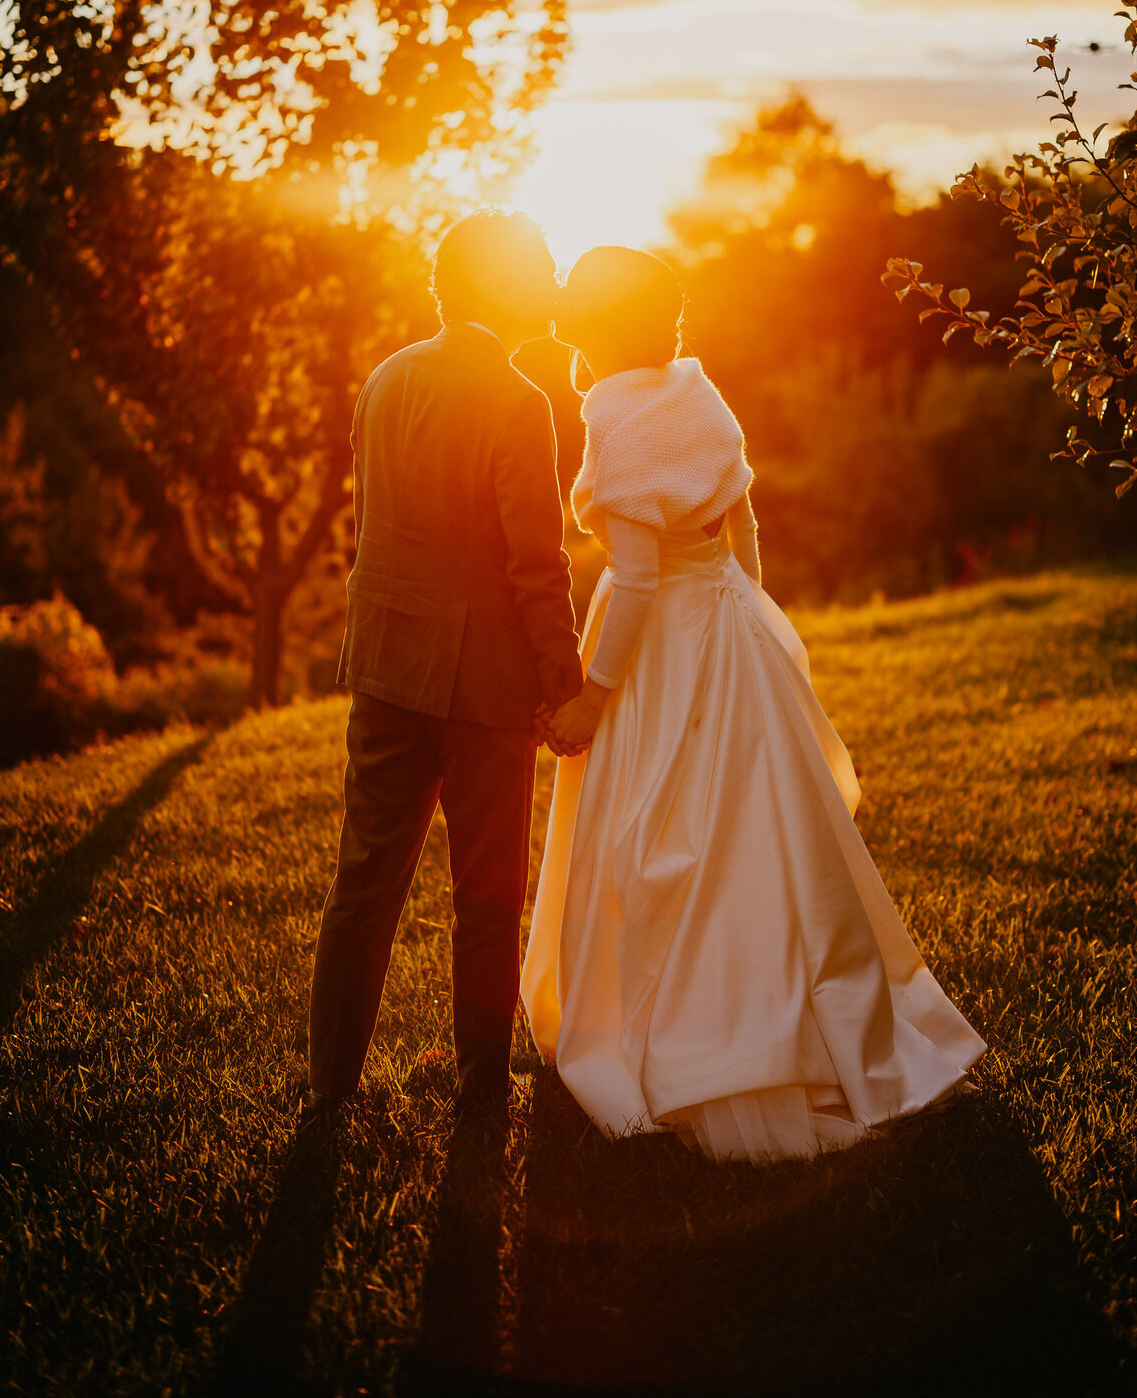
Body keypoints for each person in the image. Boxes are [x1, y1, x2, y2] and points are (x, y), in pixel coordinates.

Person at [521, 246, 985, 1161]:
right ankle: (810, 1022)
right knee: (763, 834)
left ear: (602, 321)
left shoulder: (614, 412)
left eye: (576, 296)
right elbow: (745, 527)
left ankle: (688, 1040)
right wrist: (747, 613)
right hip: (730, 625)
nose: (562, 304)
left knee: (659, 833)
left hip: (656, 647)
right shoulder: (697, 389)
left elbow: (641, 579)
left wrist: (593, 698)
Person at [304, 210, 582, 1127]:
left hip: (386, 663)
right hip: (482, 685)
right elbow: (535, 565)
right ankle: (480, 1086)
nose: (550, 284)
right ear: (502, 288)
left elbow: (375, 523)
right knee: (489, 895)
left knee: (364, 880)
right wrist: (564, 686)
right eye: (540, 268)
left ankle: (331, 1087)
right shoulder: (517, 400)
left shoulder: (385, 378)